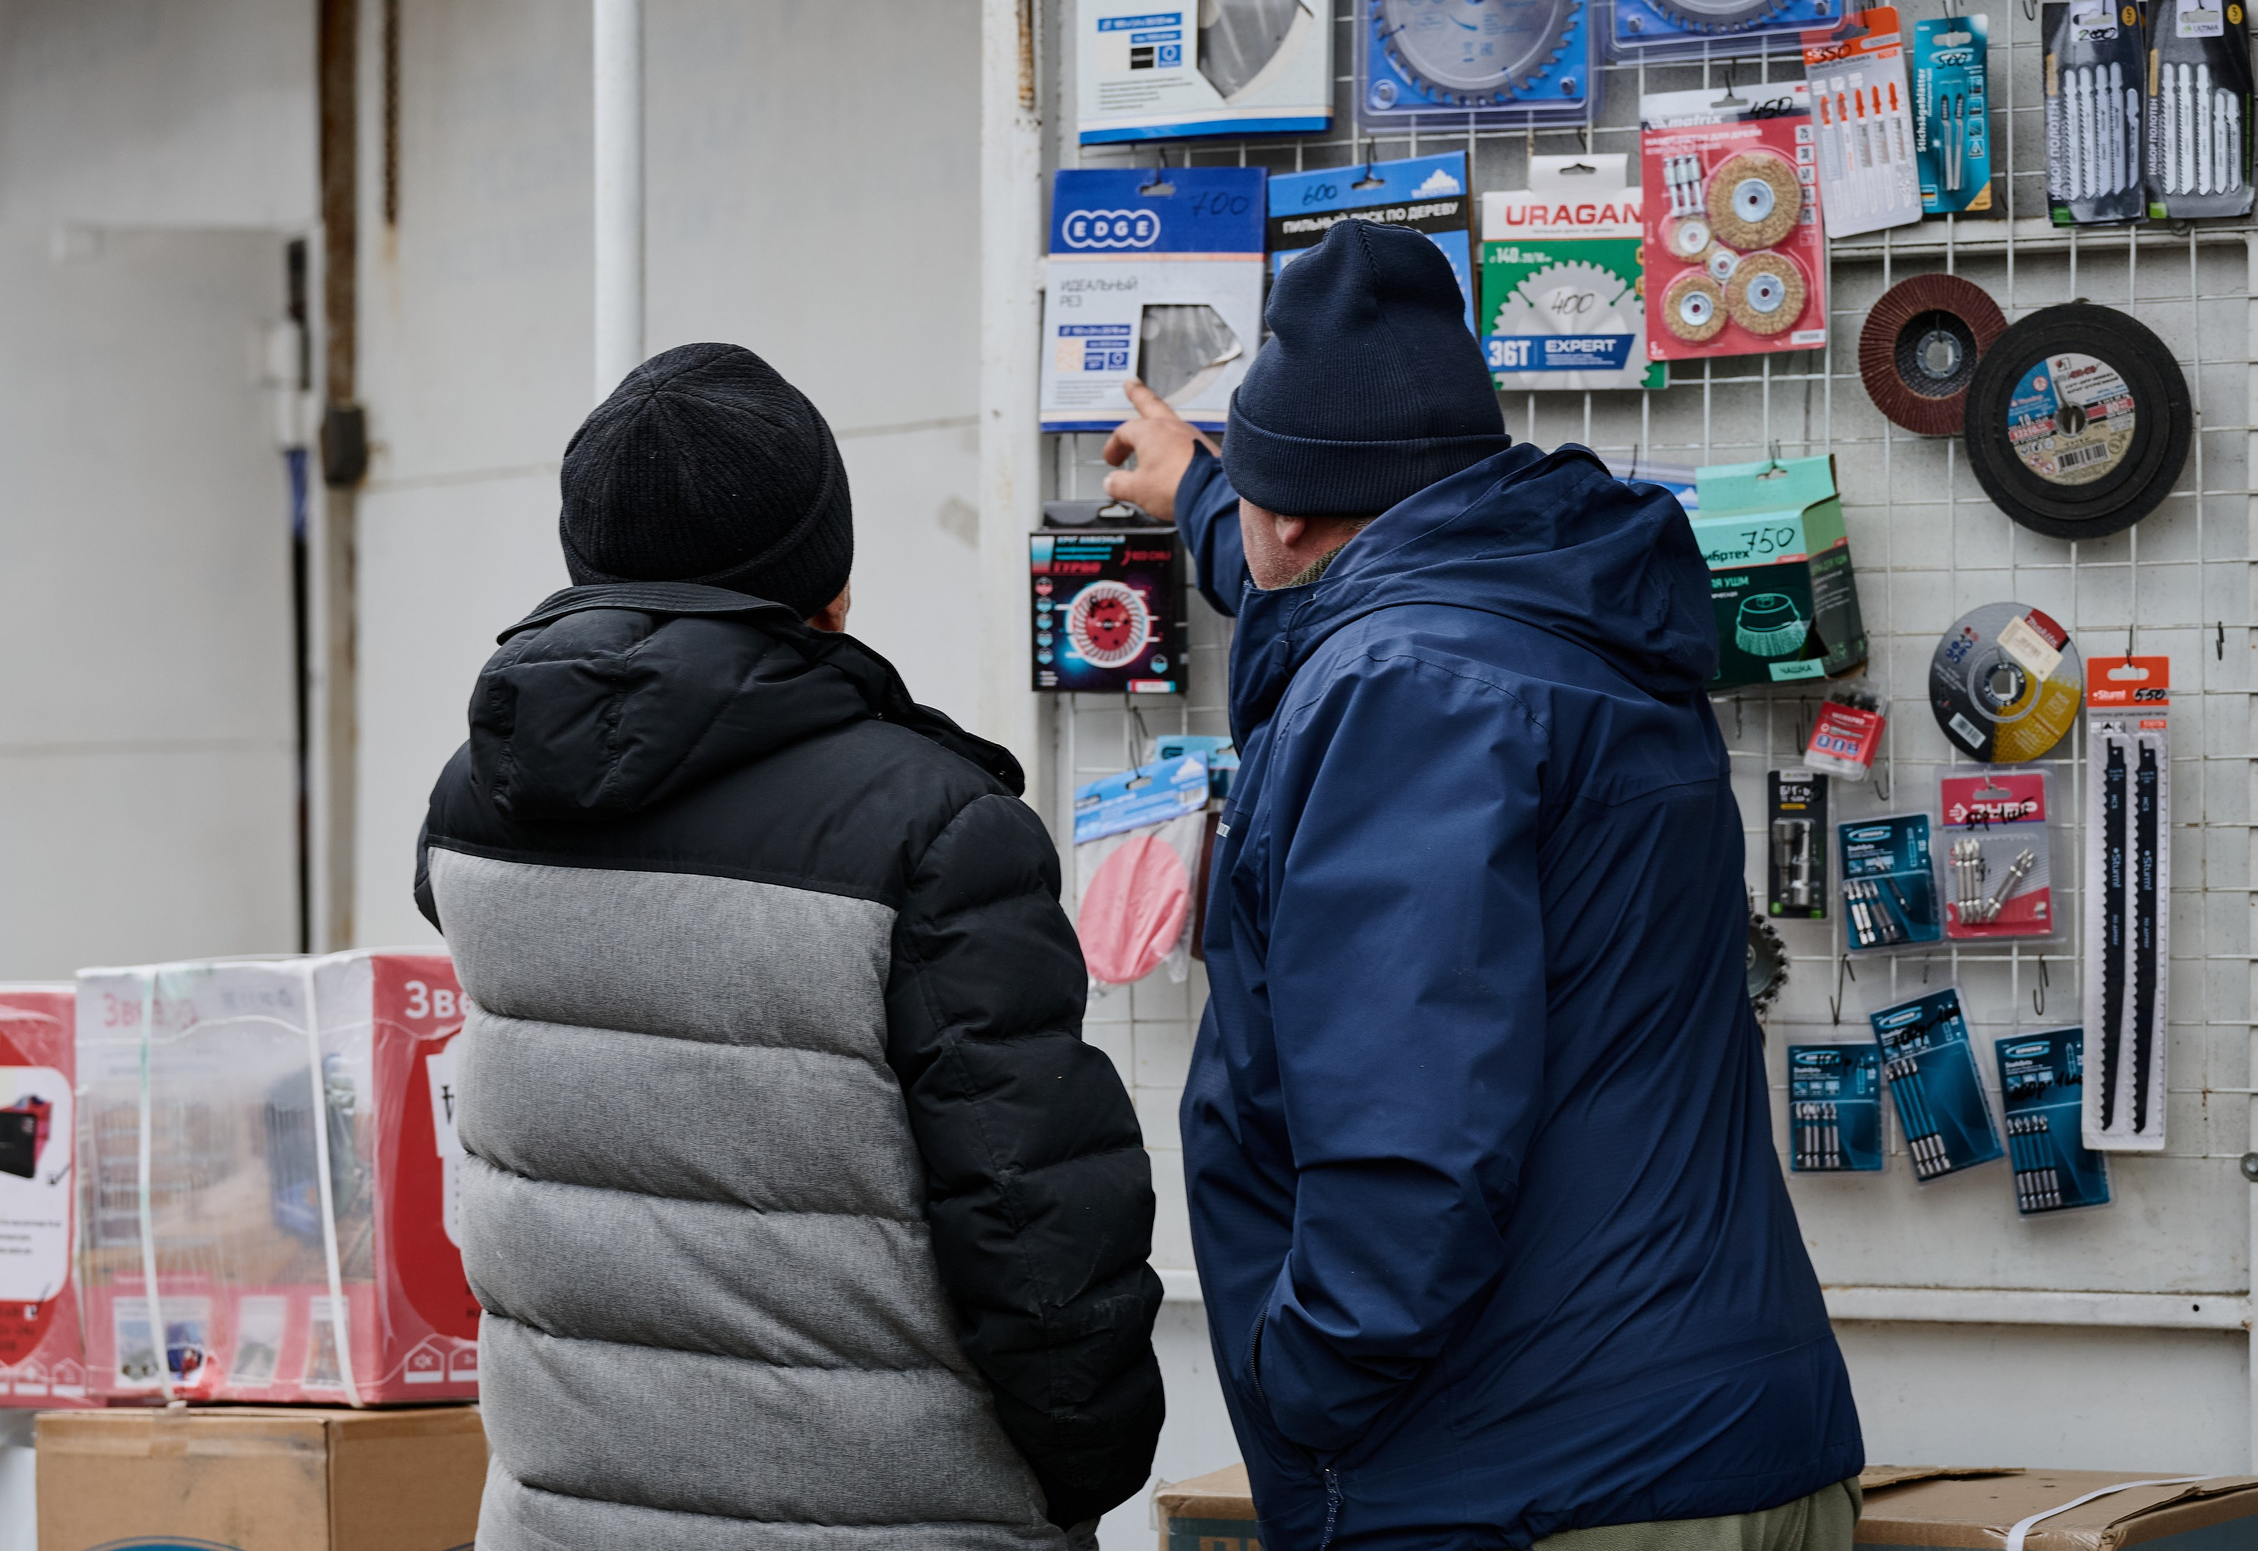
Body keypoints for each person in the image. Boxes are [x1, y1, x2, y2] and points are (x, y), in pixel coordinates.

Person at [1100, 221, 1863, 1551]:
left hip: (1526, 1474)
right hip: (1740, 1436)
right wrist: (1198, 493)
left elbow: (1414, 1135)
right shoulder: (1564, 604)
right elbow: (1325, 568)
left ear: (1290, 508)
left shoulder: (1404, 695)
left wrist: (1308, 1389)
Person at [416, 342, 1165, 1550]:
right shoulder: (935, 828)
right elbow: (1034, 1227)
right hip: (901, 1515)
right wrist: (1092, 1460)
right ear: (827, 579)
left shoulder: (481, 801)